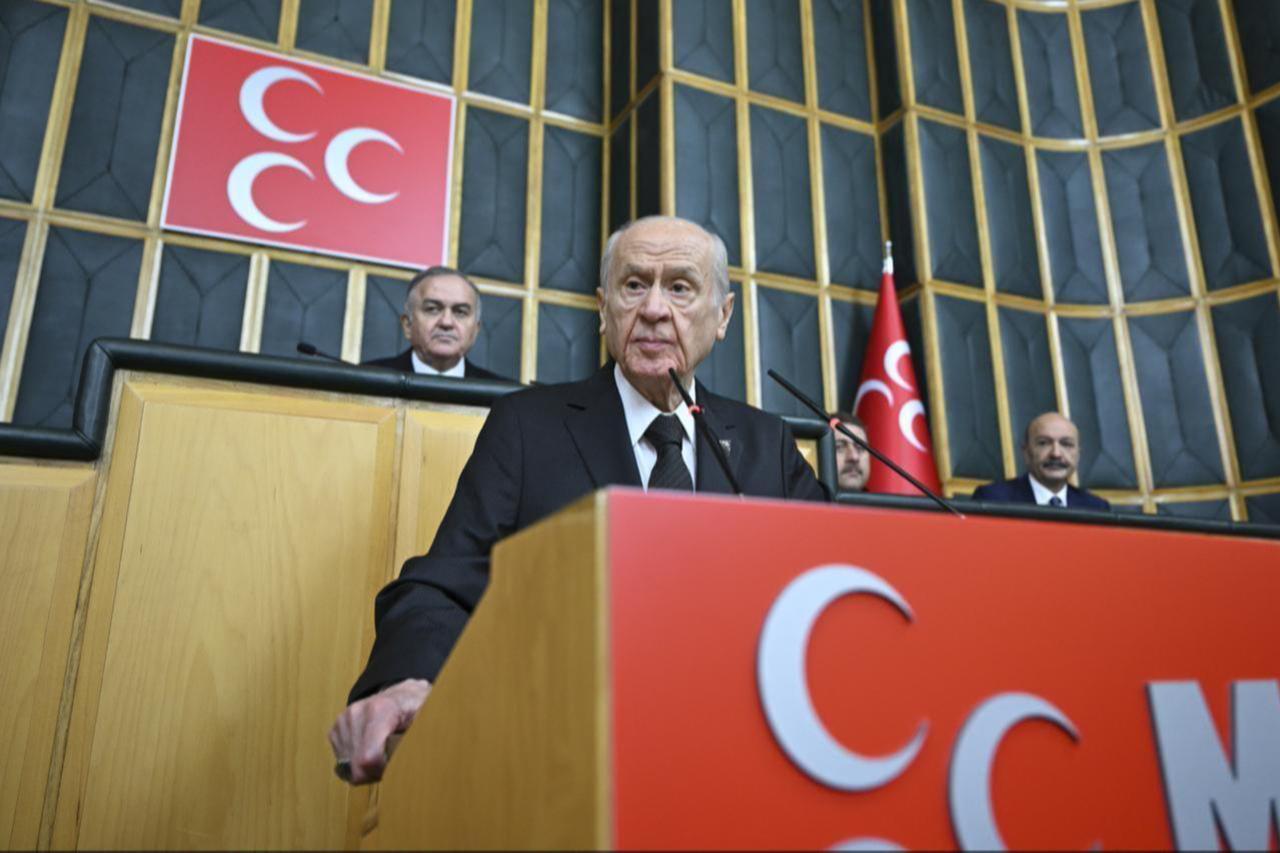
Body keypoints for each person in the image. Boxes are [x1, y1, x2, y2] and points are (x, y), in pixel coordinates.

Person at [329, 216, 829, 783]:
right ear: (603, 307)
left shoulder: (766, 444)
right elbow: (444, 582)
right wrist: (408, 680)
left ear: (723, 316)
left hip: (738, 755)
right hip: (570, 755)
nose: (654, 308)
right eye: (633, 285)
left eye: (680, 287)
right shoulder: (528, 427)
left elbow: (829, 588)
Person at [364, 265, 505, 380]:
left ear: (475, 330)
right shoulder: (366, 380)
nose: (446, 322)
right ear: (407, 325)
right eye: (432, 309)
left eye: (460, 312)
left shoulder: (503, 396)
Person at [972, 412, 1110, 510]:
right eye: (1044, 443)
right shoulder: (993, 499)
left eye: (1066, 444)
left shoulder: (1096, 507)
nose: (1056, 454)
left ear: (1078, 454)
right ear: (1026, 452)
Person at [830, 411, 870, 493]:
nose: (854, 457)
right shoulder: (805, 500)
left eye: (860, 448)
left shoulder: (888, 501)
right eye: (839, 447)